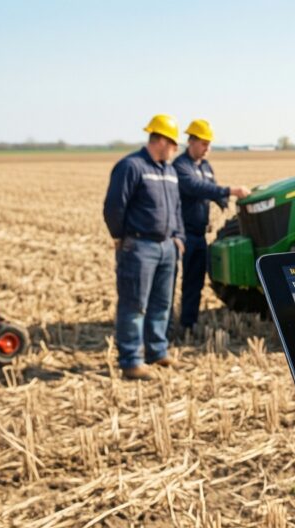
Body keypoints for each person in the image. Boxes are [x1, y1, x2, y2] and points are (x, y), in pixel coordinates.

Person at [103, 114, 185, 380]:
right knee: (134, 305)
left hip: (167, 247)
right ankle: (131, 361)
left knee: (162, 304)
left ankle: (157, 351)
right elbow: (114, 206)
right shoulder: (131, 166)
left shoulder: (169, 171)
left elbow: (176, 208)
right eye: (174, 143)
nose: (176, 149)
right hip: (139, 247)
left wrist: (178, 237)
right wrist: (119, 236)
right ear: (160, 140)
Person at [173, 119, 250, 333]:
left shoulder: (206, 167)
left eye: (209, 144)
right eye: (204, 144)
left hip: (199, 234)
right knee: (173, 282)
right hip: (182, 234)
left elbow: (211, 188)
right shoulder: (181, 166)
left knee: (195, 281)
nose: (207, 148)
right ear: (191, 141)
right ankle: (172, 325)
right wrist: (230, 191)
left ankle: (189, 322)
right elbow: (196, 187)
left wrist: (224, 202)